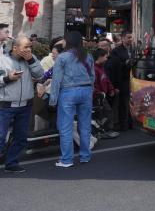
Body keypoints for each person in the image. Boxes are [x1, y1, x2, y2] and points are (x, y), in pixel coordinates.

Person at [50, 30, 95, 167]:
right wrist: (90, 90)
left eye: (64, 39)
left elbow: (56, 80)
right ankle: (85, 156)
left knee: (65, 127)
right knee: (85, 126)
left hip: (68, 92)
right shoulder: (88, 56)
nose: (62, 42)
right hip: (86, 91)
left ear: (68, 41)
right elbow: (92, 76)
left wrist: (53, 99)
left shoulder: (62, 57)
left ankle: (67, 160)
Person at [0, 35, 45, 173]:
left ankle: (12, 163)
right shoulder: (2, 59)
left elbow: (40, 75)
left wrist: (31, 60)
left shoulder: (31, 59)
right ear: (15, 48)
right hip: (5, 105)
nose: (28, 50)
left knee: (20, 137)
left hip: (25, 105)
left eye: (30, 47)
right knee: (0, 137)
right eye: (25, 47)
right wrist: (8, 78)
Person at [106, 31, 134, 131]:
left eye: (131, 37)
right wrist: (125, 63)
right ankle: (123, 124)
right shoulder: (116, 51)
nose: (130, 39)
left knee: (131, 101)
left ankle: (130, 122)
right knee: (123, 102)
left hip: (134, 78)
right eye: (128, 37)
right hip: (122, 79)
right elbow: (115, 66)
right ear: (122, 38)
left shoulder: (134, 49)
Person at [92, 48, 119, 139]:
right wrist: (98, 93)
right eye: (105, 57)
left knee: (105, 113)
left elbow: (106, 80)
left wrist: (111, 89)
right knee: (106, 113)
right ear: (100, 57)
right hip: (97, 96)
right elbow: (93, 84)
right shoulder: (94, 69)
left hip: (102, 95)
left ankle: (104, 131)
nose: (106, 59)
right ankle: (106, 131)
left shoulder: (101, 68)